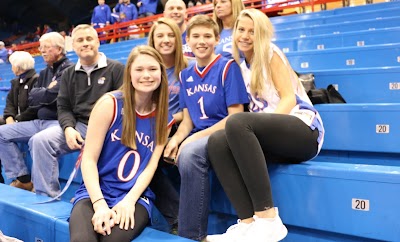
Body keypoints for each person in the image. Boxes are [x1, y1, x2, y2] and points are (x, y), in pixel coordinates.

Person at [205, 9, 325, 242]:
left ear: (262, 34)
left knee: (239, 123)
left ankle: (268, 219)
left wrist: (257, 129)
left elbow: (289, 99)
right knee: (217, 142)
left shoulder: (270, 53)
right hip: (271, 136)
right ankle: (248, 223)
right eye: (241, 30)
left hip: (303, 129)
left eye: (253, 31)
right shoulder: (237, 62)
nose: (246, 36)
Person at [69, 45, 174, 242]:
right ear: (129, 74)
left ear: (161, 72)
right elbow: (89, 159)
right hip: (96, 192)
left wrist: (129, 201)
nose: (146, 75)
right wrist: (99, 204)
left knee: (112, 240)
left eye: (152, 69)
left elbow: (150, 167)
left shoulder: (163, 117)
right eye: (139, 69)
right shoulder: (110, 104)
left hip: (134, 196)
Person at [163, 15, 248, 241]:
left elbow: (235, 117)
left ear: (217, 39)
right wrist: (176, 139)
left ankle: (191, 235)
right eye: (196, 36)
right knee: (161, 151)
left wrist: (190, 140)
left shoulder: (227, 67)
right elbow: (188, 120)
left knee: (189, 154)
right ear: (187, 41)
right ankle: (168, 218)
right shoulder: (185, 74)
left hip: (224, 134)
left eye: (207, 36)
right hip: (198, 135)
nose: (202, 41)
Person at [25, 24, 124, 198]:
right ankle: (46, 196)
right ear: (74, 46)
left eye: (89, 39)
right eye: (80, 40)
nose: (85, 43)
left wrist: (101, 131)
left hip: (109, 129)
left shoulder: (116, 69)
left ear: (98, 42)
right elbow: (63, 106)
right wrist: (68, 128)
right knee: (39, 141)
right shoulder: (69, 73)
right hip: (79, 126)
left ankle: (92, 195)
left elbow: (123, 107)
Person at [0, 32, 74, 192]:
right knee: (1, 133)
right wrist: (46, 92)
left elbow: (55, 96)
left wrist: (45, 93)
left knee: (39, 140)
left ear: (60, 49)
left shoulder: (69, 69)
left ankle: (46, 193)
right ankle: (23, 178)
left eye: (46, 47)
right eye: (41, 47)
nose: (42, 51)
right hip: (38, 121)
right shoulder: (45, 72)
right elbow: (33, 98)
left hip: (57, 121)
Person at [147, 17, 189, 231]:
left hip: (178, 129)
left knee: (147, 158)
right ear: (152, 40)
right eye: (160, 35)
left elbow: (191, 112)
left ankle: (179, 220)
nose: (165, 40)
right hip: (150, 129)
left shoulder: (187, 67)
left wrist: (173, 118)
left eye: (171, 35)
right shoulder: (147, 69)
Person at [0, 51, 38, 185]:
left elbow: (34, 108)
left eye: (12, 65)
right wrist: (9, 117)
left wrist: (16, 120)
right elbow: (10, 103)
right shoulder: (15, 82)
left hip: (31, 121)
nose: (11, 68)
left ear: (19, 66)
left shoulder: (36, 80)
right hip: (16, 119)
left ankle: (22, 178)